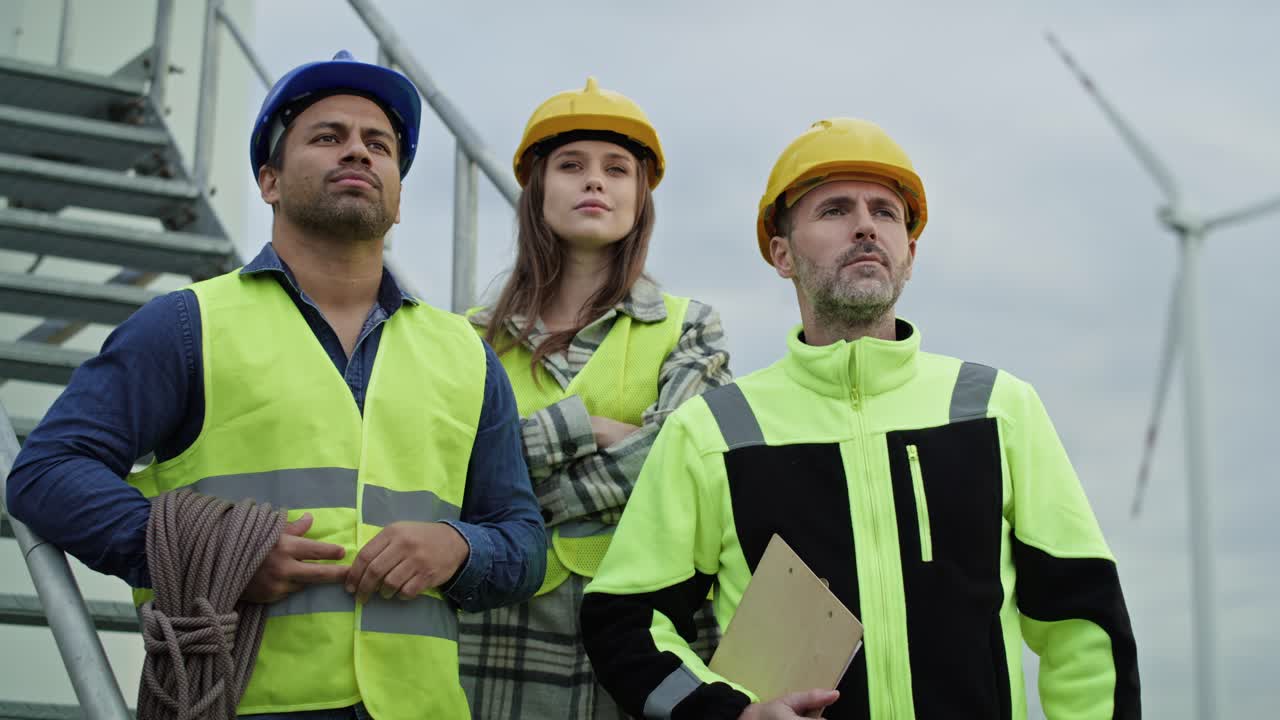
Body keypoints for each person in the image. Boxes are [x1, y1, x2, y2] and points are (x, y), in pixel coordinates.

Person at [5, 50, 545, 719]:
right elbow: (47, 472)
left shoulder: (467, 354)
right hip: (238, 704)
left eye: (378, 145)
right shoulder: (184, 326)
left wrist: (460, 548)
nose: (358, 151)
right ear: (270, 182)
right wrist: (216, 556)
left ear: (399, 198)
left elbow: (523, 541)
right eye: (328, 137)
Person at [580, 118, 1140, 719]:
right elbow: (624, 619)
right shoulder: (713, 431)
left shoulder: (999, 409)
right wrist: (730, 716)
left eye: (886, 212)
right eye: (835, 210)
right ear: (782, 254)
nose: (866, 226)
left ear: (910, 253)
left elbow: (1084, 622)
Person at [458, 77, 731, 719]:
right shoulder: (468, 339)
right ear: (538, 189)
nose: (595, 182)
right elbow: (450, 472)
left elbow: (681, 467)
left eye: (616, 169)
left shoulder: (690, 327)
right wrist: (586, 426)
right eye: (571, 165)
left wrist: (512, 502)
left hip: (649, 628)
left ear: (640, 195)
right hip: (499, 633)